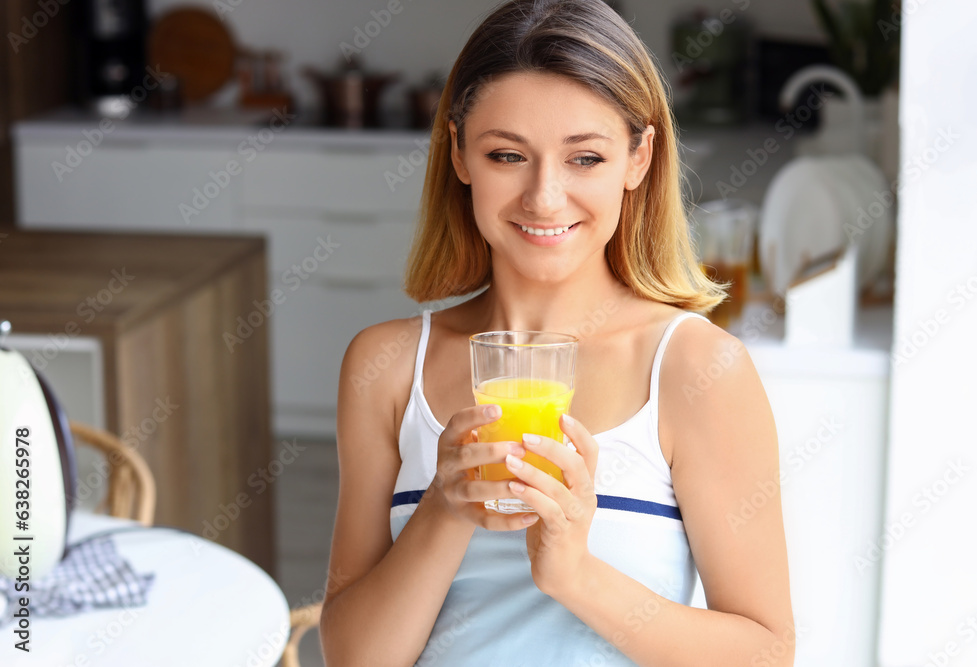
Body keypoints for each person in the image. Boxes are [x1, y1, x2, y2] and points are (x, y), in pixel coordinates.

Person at [320, 1, 793, 665]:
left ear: (638, 158)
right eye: (508, 154)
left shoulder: (695, 369)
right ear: (459, 153)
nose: (544, 197)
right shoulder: (388, 365)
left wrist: (573, 572)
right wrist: (444, 508)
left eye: (585, 158)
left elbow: (766, 653)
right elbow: (353, 658)